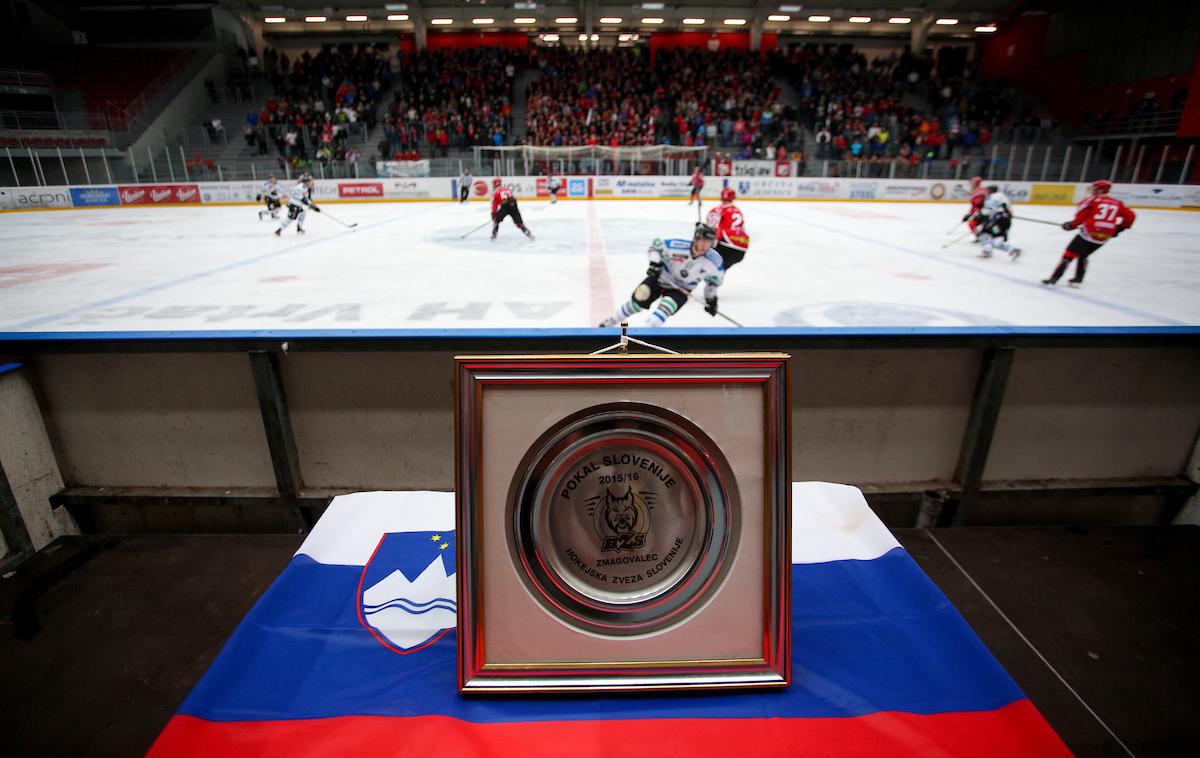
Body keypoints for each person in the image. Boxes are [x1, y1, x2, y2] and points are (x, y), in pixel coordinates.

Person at [599, 223, 723, 328]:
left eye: (708, 242)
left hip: (681, 290)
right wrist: (655, 263)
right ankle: (611, 321)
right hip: (660, 278)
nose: (704, 246)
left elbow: (713, 282)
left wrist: (711, 299)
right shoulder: (676, 246)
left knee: (664, 309)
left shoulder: (714, 262)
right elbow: (655, 246)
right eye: (702, 241)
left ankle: (645, 334)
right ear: (696, 238)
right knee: (637, 302)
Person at [1042, 180, 1135, 287]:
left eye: (1094, 188)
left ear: (1100, 190)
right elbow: (1131, 216)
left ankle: (1054, 279)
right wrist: (1118, 229)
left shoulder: (1091, 201)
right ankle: (1078, 279)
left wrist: (1071, 225)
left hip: (1087, 235)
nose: (1092, 190)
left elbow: (1080, 218)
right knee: (1083, 255)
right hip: (1104, 237)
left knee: (1069, 255)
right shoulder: (1118, 203)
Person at [705, 187, 750, 270]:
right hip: (741, 249)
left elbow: (712, 230)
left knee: (708, 268)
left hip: (725, 247)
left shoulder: (715, 210)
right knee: (719, 271)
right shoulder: (737, 211)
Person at [975, 186, 1020, 260]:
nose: (985, 193)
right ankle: (1011, 249)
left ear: (990, 191)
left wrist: (978, 216)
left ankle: (988, 250)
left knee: (982, 234)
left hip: (997, 220)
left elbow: (987, 211)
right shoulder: (1002, 196)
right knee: (993, 236)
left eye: (986, 191)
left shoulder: (990, 198)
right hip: (1005, 220)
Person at [962, 176, 986, 240]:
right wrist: (969, 214)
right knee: (972, 223)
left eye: (972, 182)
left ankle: (981, 238)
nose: (971, 184)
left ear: (975, 183)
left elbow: (977, 205)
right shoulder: (981, 190)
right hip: (983, 212)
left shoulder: (977, 192)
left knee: (972, 223)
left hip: (985, 213)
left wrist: (970, 214)